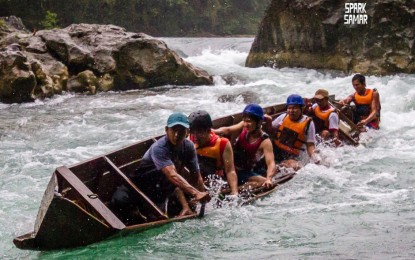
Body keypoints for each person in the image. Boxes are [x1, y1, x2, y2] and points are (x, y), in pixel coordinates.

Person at [113, 112, 211, 217]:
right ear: (166, 130)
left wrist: (202, 198)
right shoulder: (159, 148)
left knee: (165, 212)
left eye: (181, 131)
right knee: (119, 201)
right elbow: (172, 175)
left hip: (160, 192)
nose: (177, 134)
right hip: (137, 189)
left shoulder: (189, 147)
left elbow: (196, 175)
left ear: (187, 132)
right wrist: (196, 193)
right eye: (174, 130)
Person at [213, 104, 276, 188]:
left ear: (259, 122)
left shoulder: (265, 142)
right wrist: (214, 131)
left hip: (244, 172)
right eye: (245, 121)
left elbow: (271, 163)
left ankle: (237, 190)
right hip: (229, 167)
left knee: (263, 181)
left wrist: (269, 179)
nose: (246, 124)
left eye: (249, 121)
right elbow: (227, 130)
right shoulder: (244, 126)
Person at [188, 110, 239, 196]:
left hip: (215, 184)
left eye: (199, 132)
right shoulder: (188, 141)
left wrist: (234, 192)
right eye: (193, 132)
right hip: (196, 184)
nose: (195, 136)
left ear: (208, 131)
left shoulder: (223, 144)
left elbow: (230, 171)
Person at [265, 94, 318, 170]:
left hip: (293, 155)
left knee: (294, 166)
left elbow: (310, 145)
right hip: (277, 149)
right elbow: (271, 132)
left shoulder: (309, 123)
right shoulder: (283, 117)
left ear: (301, 109)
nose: (291, 111)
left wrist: (314, 157)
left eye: (294, 108)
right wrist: (269, 122)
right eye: (289, 108)